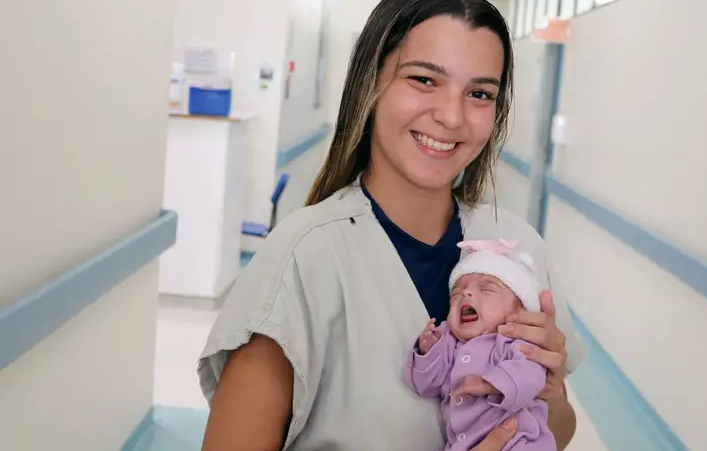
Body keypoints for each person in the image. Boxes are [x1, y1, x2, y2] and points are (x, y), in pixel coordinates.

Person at [197, 1, 586, 450]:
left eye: (480, 93)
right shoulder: (301, 259)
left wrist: (549, 390)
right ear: (371, 83)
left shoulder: (517, 245)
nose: (452, 116)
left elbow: (558, 425)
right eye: (424, 80)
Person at [405, 239, 556, 450]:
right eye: (456, 293)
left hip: (519, 440)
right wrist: (428, 352)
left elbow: (531, 375)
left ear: (519, 312)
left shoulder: (512, 340)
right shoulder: (449, 343)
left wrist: (490, 384)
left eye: (486, 289)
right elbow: (425, 386)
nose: (466, 293)